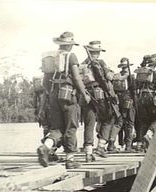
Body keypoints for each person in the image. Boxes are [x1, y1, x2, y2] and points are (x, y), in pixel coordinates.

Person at [37, 31, 91, 169]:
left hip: (54, 95)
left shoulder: (52, 57)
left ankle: (46, 146)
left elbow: (45, 82)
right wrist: (84, 94)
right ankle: (70, 160)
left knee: (57, 127)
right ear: (70, 45)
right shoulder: (71, 57)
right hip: (68, 95)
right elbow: (77, 78)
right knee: (71, 126)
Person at [82, 41, 119, 158]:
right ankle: (101, 147)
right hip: (99, 94)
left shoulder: (83, 63)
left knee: (89, 123)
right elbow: (109, 77)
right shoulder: (100, 62)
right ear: (97, 52)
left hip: (86, 94)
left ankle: (88, 152)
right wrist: (112, 74)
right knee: (109, 118)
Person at [135, 54, 156, 150]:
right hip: (152, 98)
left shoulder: (140, 72)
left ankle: (141, 144)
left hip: (141, 98)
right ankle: (149, 134)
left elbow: (136, 85)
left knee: (143, 121)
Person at [109, 57, 136, 152]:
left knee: (118, 122)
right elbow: (133, 91)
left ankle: (111, 143)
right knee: (129, 123)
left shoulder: (117, 76)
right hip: (128, 101)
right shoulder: (130, 77)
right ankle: (128, 146)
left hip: (118, 100)